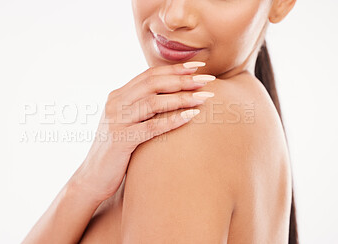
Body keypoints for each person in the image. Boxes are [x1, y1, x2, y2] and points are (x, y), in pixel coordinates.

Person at [22, 0, 298, 243]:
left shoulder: (192, 120)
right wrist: (85, 185)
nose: (174, 16)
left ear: (281, 3)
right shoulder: (246, 113)